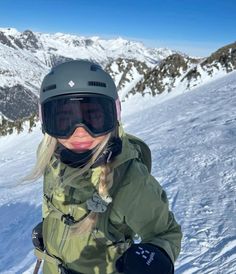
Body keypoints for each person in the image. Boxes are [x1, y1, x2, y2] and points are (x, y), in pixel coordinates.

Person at [30, 60, 182, 274]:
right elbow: (51, 203)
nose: (79, 132)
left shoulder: (129, 181)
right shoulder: (51, 159)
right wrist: (50, 228)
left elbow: (167, 233)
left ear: (114, 115)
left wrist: (158, 257)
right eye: (64, 121)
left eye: (94, 118)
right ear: (46, 122)